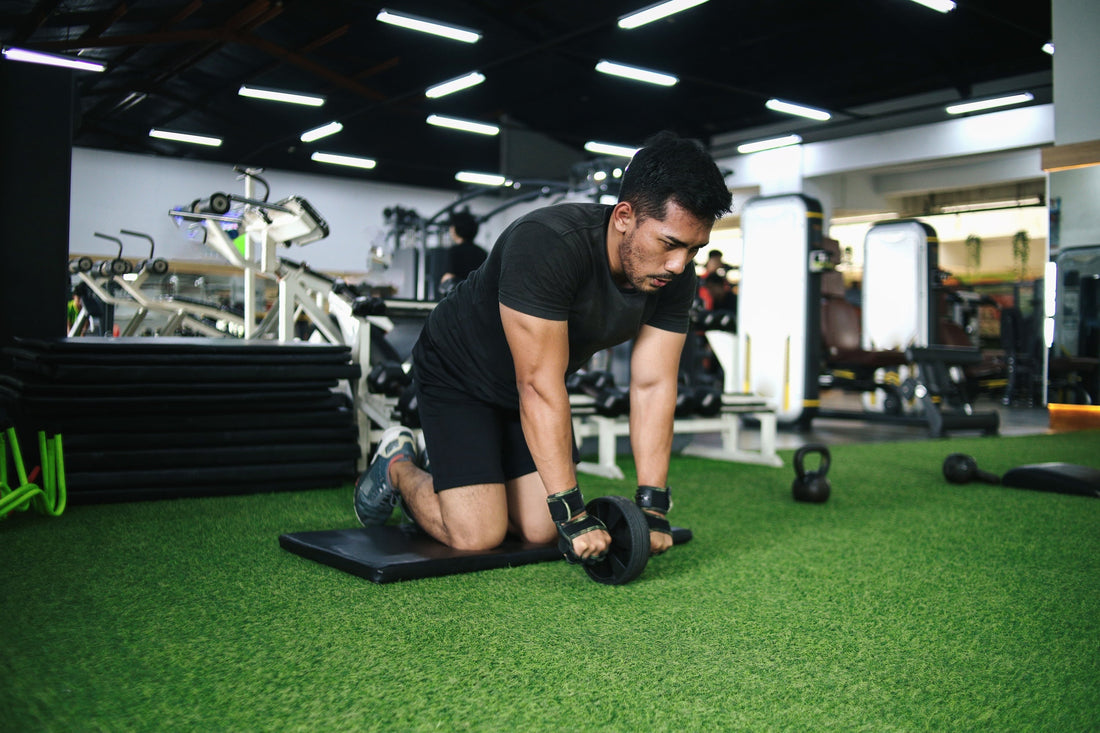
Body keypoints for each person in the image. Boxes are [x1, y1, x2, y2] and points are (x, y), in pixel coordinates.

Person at [354, 131, 732, 565]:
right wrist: (572, 513)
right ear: (625, 216)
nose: (679, 264)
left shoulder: (674, 275)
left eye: (693, 249)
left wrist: (652, 504)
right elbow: (537, 384)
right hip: (460, 371)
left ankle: (469, 473)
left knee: (538, 529)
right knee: (479, 534)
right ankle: (399, 464)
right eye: (669, 243)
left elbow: (652, 385)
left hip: (532, 386)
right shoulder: (549, 242)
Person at [437, 209, 488, 297]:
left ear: (455, 229)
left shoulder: (454, 251)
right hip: (478, 301)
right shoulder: (483, 253)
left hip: (459, 302)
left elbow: (447, 280)